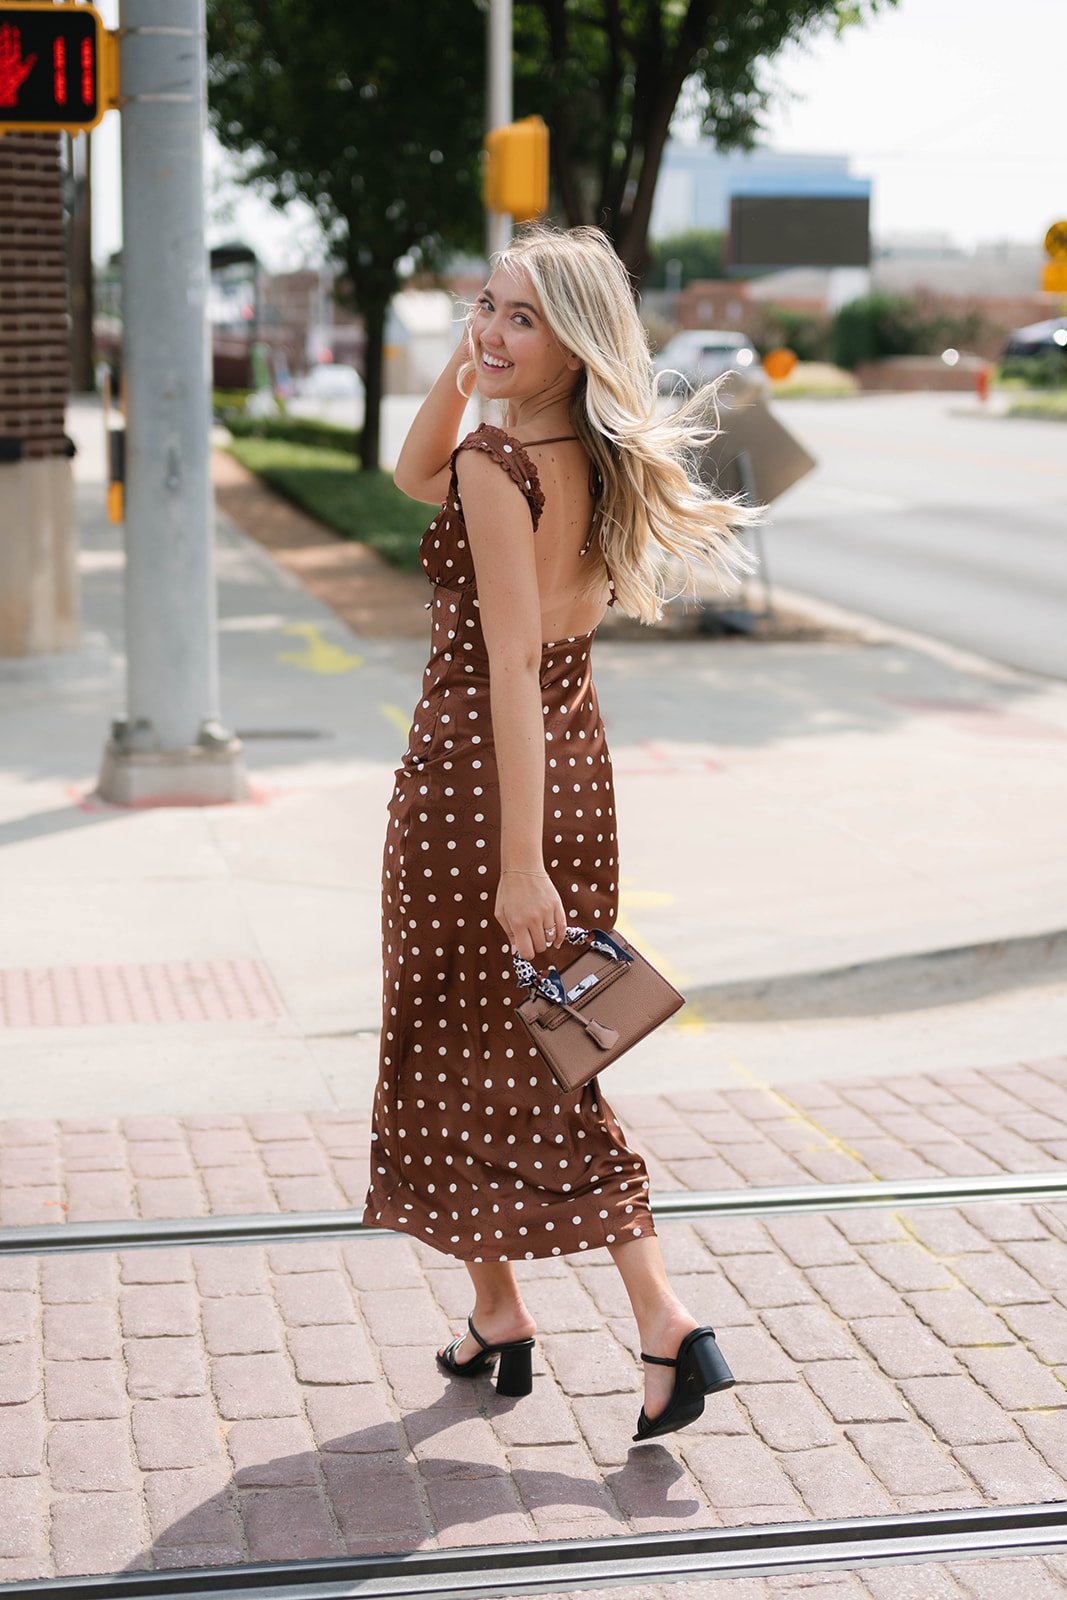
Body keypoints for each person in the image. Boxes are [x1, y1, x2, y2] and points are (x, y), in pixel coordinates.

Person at [363, 224, 758, 1442]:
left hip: (485, 790)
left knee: (481, 1052)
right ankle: (501, 1315)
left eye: (520, 319)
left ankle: (661, 1318)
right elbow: (404, 469)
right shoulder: (579, 444)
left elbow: (506, 671)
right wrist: (472, 360)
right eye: (484, 305)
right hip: (570, 772)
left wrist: (515, 861)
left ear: (574, 342)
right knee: (522, 1048)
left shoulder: (499, 462)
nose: (489, 330)